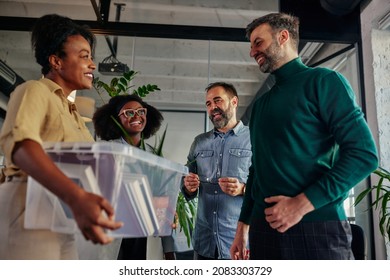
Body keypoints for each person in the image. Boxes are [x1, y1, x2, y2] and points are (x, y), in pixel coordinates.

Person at [230, 12, 379, 260]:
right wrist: (242, 227)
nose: (252, 52)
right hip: (263, 231)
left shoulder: (324, 81)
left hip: (317, 228)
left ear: (283, 37)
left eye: (258, 42)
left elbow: (364, 155)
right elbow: (257, 171)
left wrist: (300, 205)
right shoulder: (260, 105)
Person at [0, 14, 122, 260]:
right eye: (84, 56)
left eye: (91, 57)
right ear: (56, 61)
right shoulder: (33, 90)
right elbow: (21, 146)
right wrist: (76, 197)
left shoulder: (73, 113)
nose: (92, 65)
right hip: (28, 211)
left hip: (62, 215)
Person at [93, 94, 176, 260]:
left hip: (146, 236)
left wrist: (169, 249)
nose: (137, 116)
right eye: (129, 113)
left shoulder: (156, 155)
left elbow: (164, 201)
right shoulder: (105, 150)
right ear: (115, 120)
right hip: (115, 232)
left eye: (141, 111)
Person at [182, 81, 252, 260]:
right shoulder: (199, 142)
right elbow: (186, 184)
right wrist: (188, 187)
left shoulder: (254, 139)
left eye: (218, 101)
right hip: (204, 243)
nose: (213, 107)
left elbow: (269, 184)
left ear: (234, 102)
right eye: (208, 103)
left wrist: (243, 189)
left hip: (237, 244)